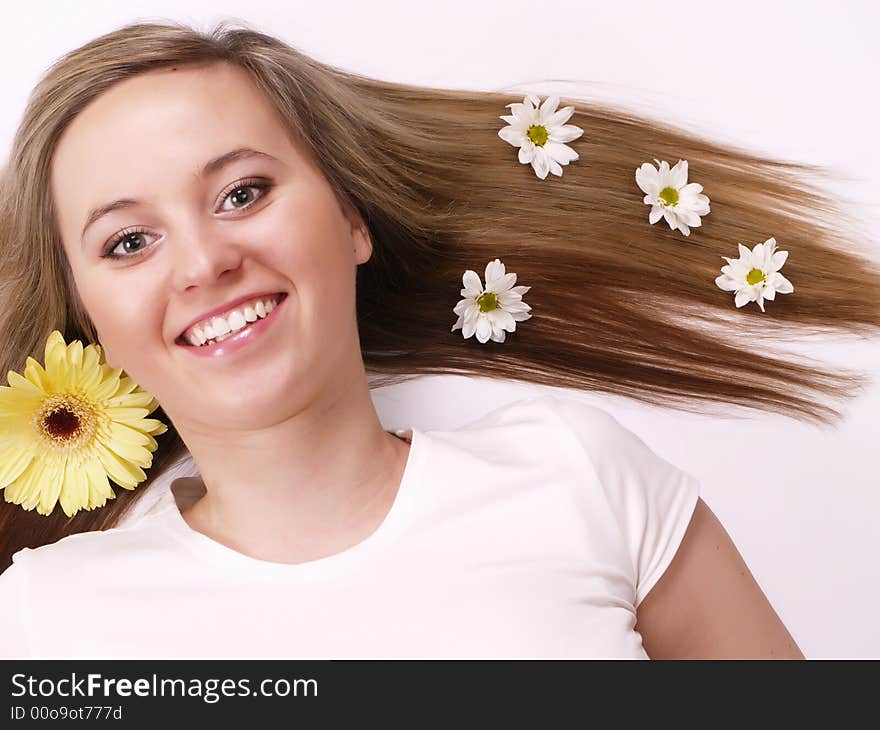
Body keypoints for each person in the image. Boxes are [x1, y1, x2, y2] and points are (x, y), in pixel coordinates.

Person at [0, 19, 876, 659]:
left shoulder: (577, 476)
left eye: (243, 193)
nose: (202, 263)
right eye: (128, 243)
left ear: (349, 220)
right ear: (93, 331)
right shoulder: (48, 618)